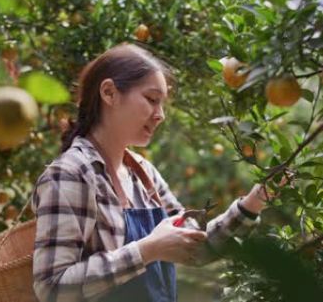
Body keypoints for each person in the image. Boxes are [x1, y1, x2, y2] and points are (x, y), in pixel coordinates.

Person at [31, 43, 271, 302]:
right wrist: (147, 251)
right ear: (109, 93)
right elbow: (51, 288)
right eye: (152, 99)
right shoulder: (71, 175)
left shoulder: (143, 175)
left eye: (162, 104)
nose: (161, 115)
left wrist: (253, 203)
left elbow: (196, 249)